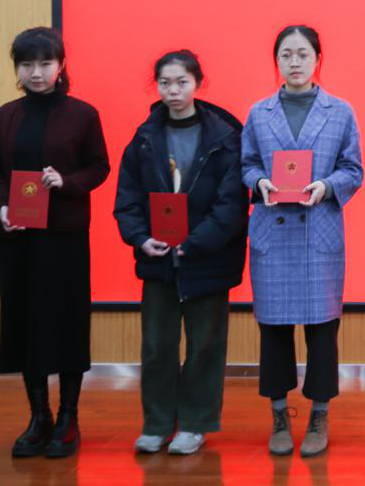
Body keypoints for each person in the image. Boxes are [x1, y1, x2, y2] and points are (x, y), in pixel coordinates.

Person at [0, 26, 110, 459]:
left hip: (64, 238)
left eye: (45, 63)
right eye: (27, 64)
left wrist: (66, 182)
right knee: (25, 324)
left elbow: (99, 167)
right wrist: (2, 206)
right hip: (18, 238)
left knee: (66, 324)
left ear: (61, 65)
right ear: (17, 68)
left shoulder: (82, 114)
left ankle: (69, 417)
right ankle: (39, 416)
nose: (36, 73)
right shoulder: (6, 115)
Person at [112, 49, 249, 455]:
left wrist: (194, 242)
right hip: (158, 258)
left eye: (182, 82)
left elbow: (231, 204)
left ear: (198, 83)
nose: (173, 90)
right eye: (165, 83)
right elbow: (127, 199)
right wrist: (140, 238)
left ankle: (194, 424)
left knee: (205, 344)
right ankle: (156, 423)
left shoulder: (224, 137)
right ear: (156, 86)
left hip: (208, 258)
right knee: (157, 345)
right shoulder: (144, 138)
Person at [241, 25, 363, 457]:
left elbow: (353, 169)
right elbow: (246, 164)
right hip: (273, 232)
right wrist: (259, 182)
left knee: (322, 330)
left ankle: (319, 415)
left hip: (318, 229)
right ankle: (278, 414)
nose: (294, 62)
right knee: (273, 329)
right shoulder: (259, 113)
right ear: (276, 60)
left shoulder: (340, 111)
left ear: (317, 59)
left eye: (303, 54)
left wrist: (326, 187)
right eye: (286, 54)